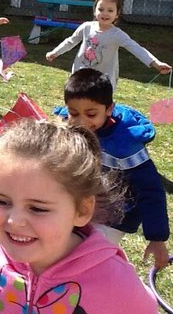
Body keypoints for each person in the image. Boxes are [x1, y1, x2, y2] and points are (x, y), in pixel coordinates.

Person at [0, 119, 158, 313]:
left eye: (38, 208)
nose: (14, 221)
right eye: (2, 202)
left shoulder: (117, 284)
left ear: (82, 211)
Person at [59, 67, 170, 269]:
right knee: (64, 245)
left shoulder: (126, 146)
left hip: (116, 215)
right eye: (74, 113)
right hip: (85, 203)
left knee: (89, 257)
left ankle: (113, 275)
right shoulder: (68, 125)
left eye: (91, 114)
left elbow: (151, 191)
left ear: (109, 109)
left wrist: (156, 237)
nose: (82, 122)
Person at [45, 0, 171, 91]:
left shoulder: (117, 34)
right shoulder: (86, 27)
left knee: (98, 106)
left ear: (117, 14)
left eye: (110, 10)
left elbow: (136, 48)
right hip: (81, 75)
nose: (105, 13)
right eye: (101, 9)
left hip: (103, 81)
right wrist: (55, 52)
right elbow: (70, 41)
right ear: (95, 11)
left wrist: (156, 63)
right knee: (78, 100)